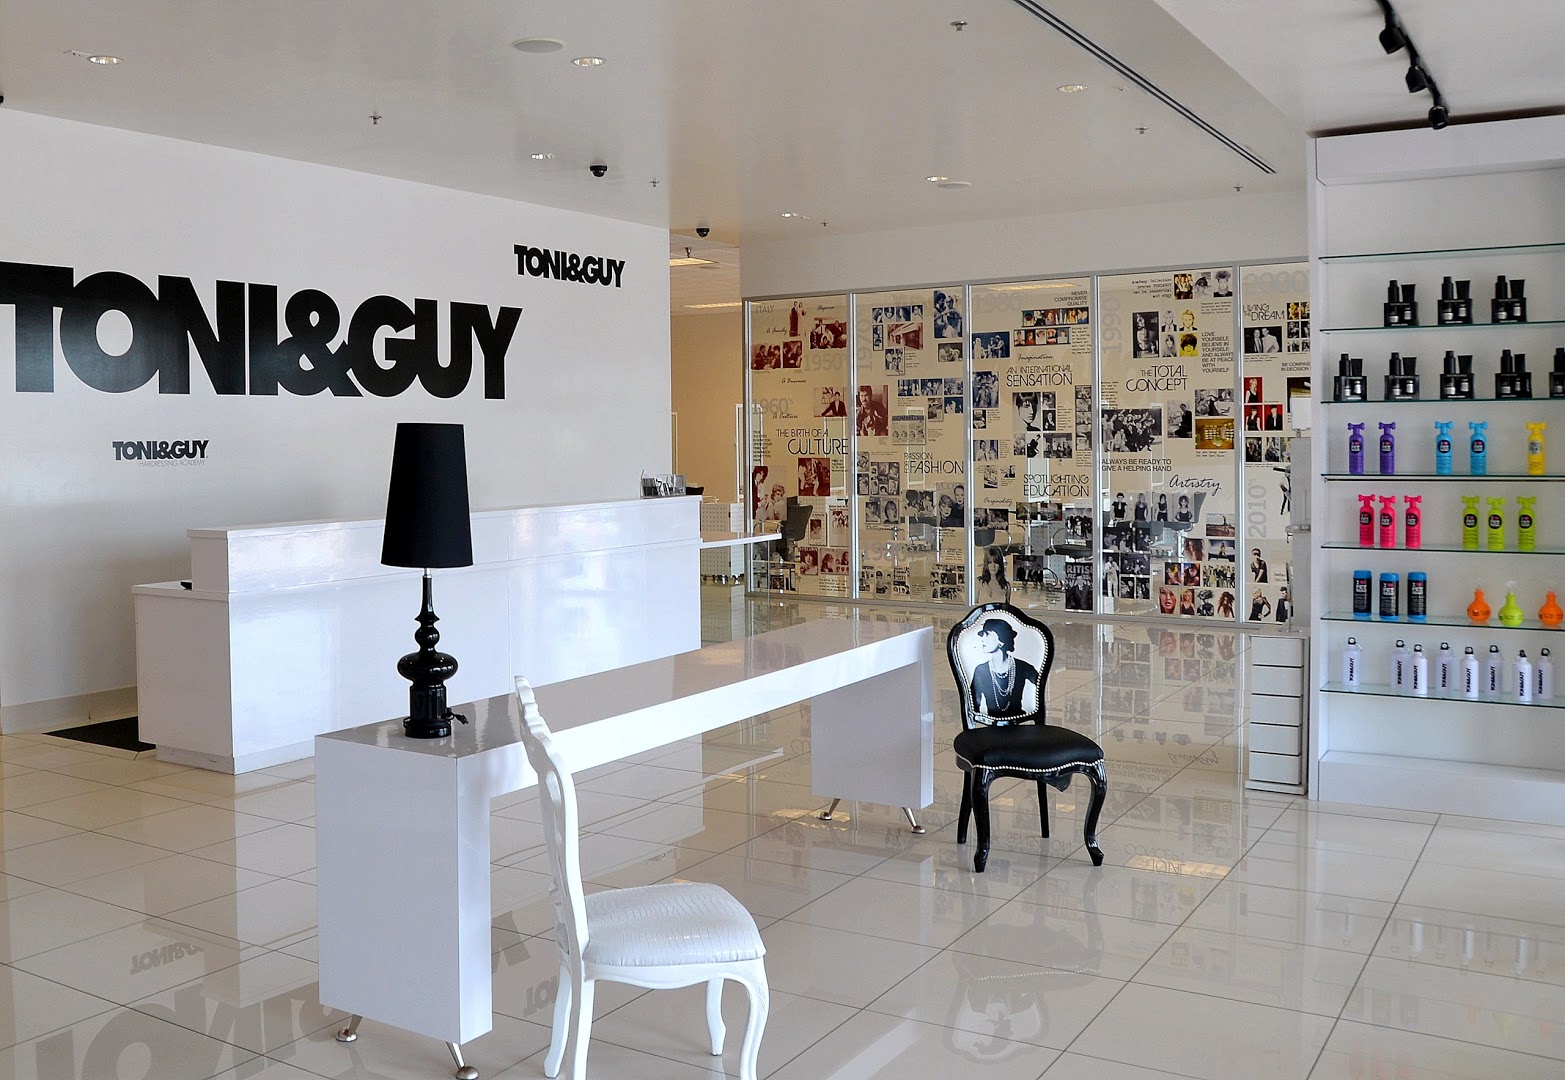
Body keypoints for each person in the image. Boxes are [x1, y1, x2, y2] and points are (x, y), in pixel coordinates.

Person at [968, 617, 1038, 718]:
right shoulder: (981, 670)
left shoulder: (1023, 667)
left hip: (1020, 722)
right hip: (991, 724)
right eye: (982, 635)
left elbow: (1041, 685)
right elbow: (973, 704)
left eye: (987, 634)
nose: (982, 639)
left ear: (1002, 640)